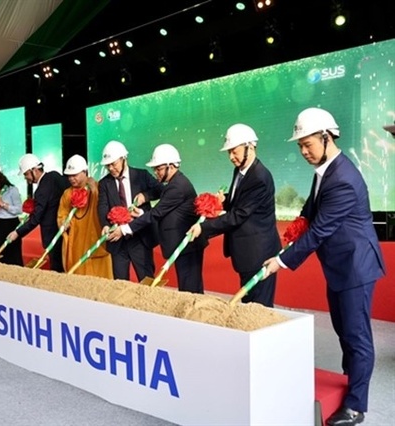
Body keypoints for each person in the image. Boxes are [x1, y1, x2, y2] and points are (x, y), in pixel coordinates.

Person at [262, 107, 385, 426]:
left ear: (327, 137)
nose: (304, 151)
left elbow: (320, 230)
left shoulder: (343, 178)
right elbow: (310, 211)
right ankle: (349, 382)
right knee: (345, 331)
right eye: (300, 146)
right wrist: (295, 227)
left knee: (357, 336)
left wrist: (281, 261)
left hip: (356, 267)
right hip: (340, 266)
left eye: (308, 144)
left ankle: (356, 406)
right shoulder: (325, 171)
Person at [189, 124, 280, 306]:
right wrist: (224, 200)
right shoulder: (240, 171)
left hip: (259, 254)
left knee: (259, 309)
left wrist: (203, 227)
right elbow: (240, 200)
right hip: (247, 253)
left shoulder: (259, 177)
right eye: (229, 152)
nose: (231, 157)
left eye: (234, 151)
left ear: (250, 147)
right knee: (247, 306)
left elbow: (238, 215)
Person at [119, 144, 207, 293]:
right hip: (184, 245)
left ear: (170, 167)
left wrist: (126, 228)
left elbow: (157, 213)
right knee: (188, 288)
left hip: (188, 245)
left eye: (158, 169)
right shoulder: (174, 183)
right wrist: (141, 213)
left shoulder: (177, 186)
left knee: (190, 290)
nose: (156, 173)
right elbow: (164, 211)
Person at [97, 140, 162, 281]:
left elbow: (161, 190)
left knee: (147, 280)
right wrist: (105, 225)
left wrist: (145, 196)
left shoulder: (141, 176)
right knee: (120, 283)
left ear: (123, 159)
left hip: (140, 237)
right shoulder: (104, 183)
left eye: (113, 164)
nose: (111, 168)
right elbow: (102, 206)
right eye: (107, 165)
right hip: (118, 241)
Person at [7, 154, 69, 272]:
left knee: (57, 268)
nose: (26, 178)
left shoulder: (41, 191)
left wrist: (17, 232)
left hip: (52, 235)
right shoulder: (55, 176)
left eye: (26, 174)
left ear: (34, 170)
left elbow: (36, 219)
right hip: (66, 231)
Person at [57, 155, 112, 279]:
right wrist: (63, 222)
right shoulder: (67, 193)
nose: (71, 179)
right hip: (76, 240)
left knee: (101, 277)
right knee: (77, 274)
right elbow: (62, 213)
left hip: (95, 238)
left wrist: (94, 191)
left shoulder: (97, 187)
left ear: (84, 172)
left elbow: (104, 208)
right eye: (69, 176)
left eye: (74, 175)